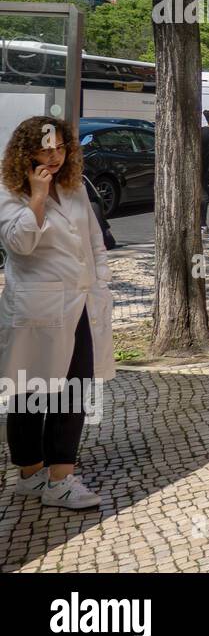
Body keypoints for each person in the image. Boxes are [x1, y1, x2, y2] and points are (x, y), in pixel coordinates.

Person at [0, 116, 114, 509]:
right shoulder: (8, 191)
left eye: (62, 147)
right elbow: (18, 245)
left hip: (80, 303)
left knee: (74, 390)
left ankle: (60, 478)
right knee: (28, 391)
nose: (55, 155)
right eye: (46, 148)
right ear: (26, 151)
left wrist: (101, 282)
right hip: (37, 306)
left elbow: (94, 240)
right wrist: (35, 194)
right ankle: (30, 474)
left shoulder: (75, 186)